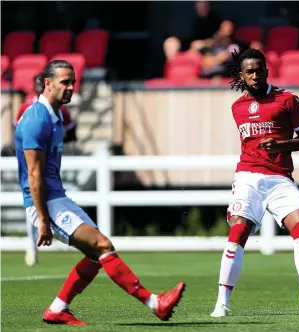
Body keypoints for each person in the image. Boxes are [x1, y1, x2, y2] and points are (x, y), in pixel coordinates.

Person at [14, 60, 186, 326]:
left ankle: (57, 309)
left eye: (73, 82)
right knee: (102, 246)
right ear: (46, 83)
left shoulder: (55, 114)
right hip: (47, 203)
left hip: (56, 198)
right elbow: (33, 175)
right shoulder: (36, 119)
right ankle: (155, 303)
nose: (71, 87)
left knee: (97, 254)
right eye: (65, 82)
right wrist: (43, 220)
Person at [210, 45, 299, 318]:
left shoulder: (288, 100)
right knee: (238, 231)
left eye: (259, 70)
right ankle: (221, 303)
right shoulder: (237, 107)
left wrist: (280, 145)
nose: (255, 75)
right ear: (241, 75)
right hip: (248, 177)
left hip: (279, 178)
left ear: (267, 71)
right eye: (249, 71)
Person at [15, 73, 77, 267]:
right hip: (38, 162)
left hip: (45, 160)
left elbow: (71, 130)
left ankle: (35, 243)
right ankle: (34, 244)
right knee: (35, 202)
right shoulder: (31, 108)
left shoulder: (54, 109)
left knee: (36, 203)